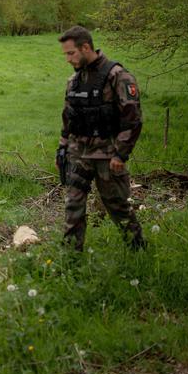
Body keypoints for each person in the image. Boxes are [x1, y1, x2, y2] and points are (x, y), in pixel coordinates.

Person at [56, 26, 144, 251]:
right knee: (73, 205)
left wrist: (120, 154)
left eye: (70, 53)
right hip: (79, 154)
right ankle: (71, 259)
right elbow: (68, 119)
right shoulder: (73, 81)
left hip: (108, 156)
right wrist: (63, 148)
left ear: (85, 47)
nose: (67, 59)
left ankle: (138, 251)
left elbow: (132, 119)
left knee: (118, 208)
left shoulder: (117, 76)